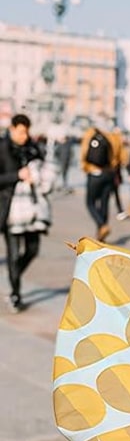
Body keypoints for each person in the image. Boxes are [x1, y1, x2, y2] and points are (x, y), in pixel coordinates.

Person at [0, 114, 53, 312]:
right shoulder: (2, 148)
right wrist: (17, 176)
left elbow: (44, 168)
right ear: (12, 129)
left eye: (27, 131)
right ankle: (16, 294)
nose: (25, 135)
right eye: (21, 131)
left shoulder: (32, 147)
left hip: (32, 209)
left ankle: (15, 275)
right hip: (8, 210)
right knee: (13, 255)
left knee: (32, 250)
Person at [80, 118, 124, 241]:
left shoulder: (91, 135)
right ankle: (101, 234)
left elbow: (84, 153)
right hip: (109, 173)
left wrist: (85, 167)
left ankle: (102, 225)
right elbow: (121, 156)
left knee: (90, 202)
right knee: (104, 203)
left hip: (94, 173)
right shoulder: (114, 137)